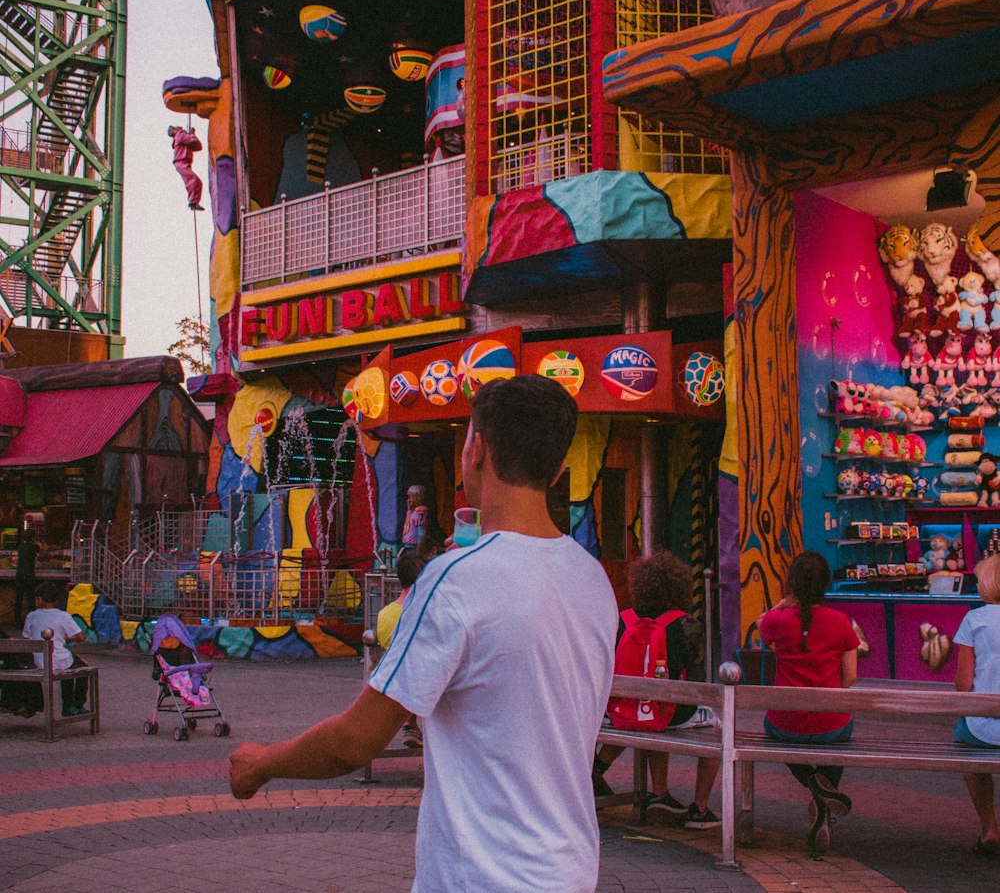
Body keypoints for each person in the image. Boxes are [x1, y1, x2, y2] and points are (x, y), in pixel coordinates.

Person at [230, 375, 618, 892]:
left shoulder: (456, 578)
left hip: (479, 880)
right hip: (569, 873)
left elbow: (358, 738)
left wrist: (263, 762)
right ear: (559, 469)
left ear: (475, 449)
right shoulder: (592, 579)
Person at [592, 550, 721, 829]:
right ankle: (699, 809)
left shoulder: (621, 620)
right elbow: (699, 685)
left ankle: (655, 790)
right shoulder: (688, 625)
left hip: (624, 711)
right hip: (667, 714)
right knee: (717, 728)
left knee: (646, 714)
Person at [758, 551, 859, 858]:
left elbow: (761, 625)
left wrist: (781, 605)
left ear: (792, 585)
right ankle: (823, 800)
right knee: (838, 731)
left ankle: (816, 791)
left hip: (785, 724)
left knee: (774, 732)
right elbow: (851, 677)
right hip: (829, 725)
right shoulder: (841, 622)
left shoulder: (778, 620)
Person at [953, 553, 1000, 855]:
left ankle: (990, 828)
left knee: (968, 747)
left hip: (983, 728)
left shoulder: (974, 619)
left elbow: (963, 685)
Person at [375, 547, 426, 748]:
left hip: (391, 680)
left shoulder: (384, 614)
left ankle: (410, 725)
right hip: (421, 681)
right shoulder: (424, 611)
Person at [23, 582, 90, 717]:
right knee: (80, 666)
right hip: (58, 659)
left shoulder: (31, 616)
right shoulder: (63, 615)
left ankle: (69, 705)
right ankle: (74, 704)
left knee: (69, 662)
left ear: (40, 599)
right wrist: (67, 638)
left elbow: (26, 638)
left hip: (39, 661)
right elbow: (81, 637)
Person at [167, 125, 204, 210]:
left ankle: (194, 202)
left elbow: (197, 146)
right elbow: (192, 140)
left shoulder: (181, 137)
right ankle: (192, 202)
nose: (179, 127)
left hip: (184, 163)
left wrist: (191, 134)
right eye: (175, 128)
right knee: (193, 180)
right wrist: (191, 134)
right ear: (174, 131)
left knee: (196, 182)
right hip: (181, 162)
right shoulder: (180, 135)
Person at [13, 529, 39, 626]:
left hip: (19, 574)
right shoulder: (33, 547)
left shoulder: (20, 547)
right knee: (31, 599)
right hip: (29, 575)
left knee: (18, 598)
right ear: (32, 538)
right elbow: (39, 556)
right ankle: (30, 621)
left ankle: (17, 621)